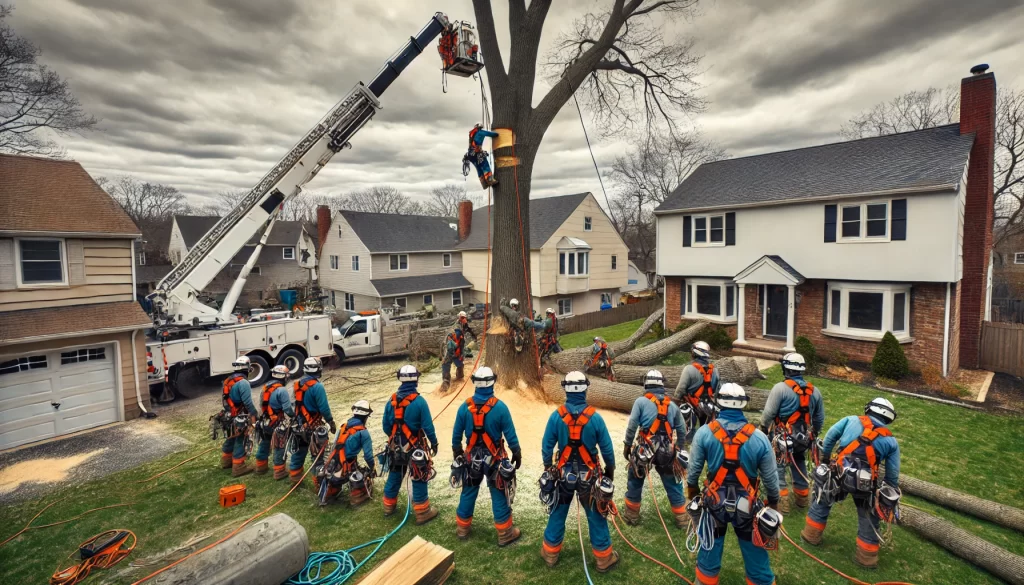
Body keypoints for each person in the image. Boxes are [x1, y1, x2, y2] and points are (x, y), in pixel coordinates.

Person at [686, 383, 780, 585]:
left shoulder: (704, 433)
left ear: (719, 403)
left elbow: (692, 473)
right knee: (755, 555)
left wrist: (692, 492)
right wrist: (773, 503)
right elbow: (771, 479)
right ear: (742, 405)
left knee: (709, 550)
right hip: (748, 507)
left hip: (714, 503)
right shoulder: (759, 438)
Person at [801, 398, 900, 570]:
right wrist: (886, 489)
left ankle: (811, 536)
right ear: (888, 418)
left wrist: (825, 459)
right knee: (868, 517)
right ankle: (866, 558)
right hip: (867, 483)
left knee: (822, 499)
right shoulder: (891, 441)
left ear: (868, 410)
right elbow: (892, 474)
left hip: (838, 473)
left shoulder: (851, 420)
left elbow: (831, 436)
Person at [540, 371, 618, 572]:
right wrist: (610, 470)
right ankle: (603, 558)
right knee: (595, 515)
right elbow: (607, 449)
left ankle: (550, 553)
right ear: (585, 389)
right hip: (589, 478)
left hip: (563, 476)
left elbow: (547, 445)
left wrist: (548, 467)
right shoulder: (595, 418)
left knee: (558, 512)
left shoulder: (557, 417)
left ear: (565, 388)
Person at [451, 367, 523, 546]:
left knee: (468, 491)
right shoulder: (500, 408)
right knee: (499, 493)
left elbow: (456, 434)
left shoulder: (464, 407)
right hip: (495, 460)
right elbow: (510, 434)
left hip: (471, 458)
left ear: (475, 383)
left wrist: (457, 450)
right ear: (493, 382)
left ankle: (462, 528)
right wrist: (517, 452)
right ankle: (505, 534)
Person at [760, 352, 825, 513]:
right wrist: (814, 432)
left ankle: (781, 502)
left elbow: (768, 413)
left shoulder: (780, 388)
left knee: (779, 466)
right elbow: (819, 418)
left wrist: (763, 428)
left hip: (783, 436)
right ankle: (802, 497)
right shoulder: (814, 391)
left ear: (786, 369)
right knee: (799, 461)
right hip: (803, 438)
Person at [622, 370, 688, 527]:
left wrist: (627, 445)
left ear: (646, 385)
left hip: (646, 449)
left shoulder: (641, 402)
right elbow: (682, 429)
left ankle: (631, 516)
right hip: (667, 451)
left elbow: (632, 426)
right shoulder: (672, 405)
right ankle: (682, 519)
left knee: (635, 479)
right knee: (673, 482)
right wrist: (679, 448)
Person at [382, 365, 440, 524]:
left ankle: (388, 506)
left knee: (395, 474)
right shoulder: (420, 402)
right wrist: (434, 443)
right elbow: (428, 426)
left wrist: (394, 439)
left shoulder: (391, 401)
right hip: (415, 448)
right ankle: (422, 512)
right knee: (419, 476)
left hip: (396, 447)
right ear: (416, 379)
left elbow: (386, 425)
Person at [288, 357, 336, 485]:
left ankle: (295, 478)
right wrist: (330, 421)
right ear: (318, 369)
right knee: (318, 457)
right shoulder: (317, 387)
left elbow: (292, 405)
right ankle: (318, 484)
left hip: (298, 425)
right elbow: (324, 408)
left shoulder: (297, 385)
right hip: (313, 427)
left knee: (299, 451)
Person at [322, 400, 376, 506]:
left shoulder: (343, 427)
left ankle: (330, 492)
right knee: (365, 472)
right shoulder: (363, 433)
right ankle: (357, 495)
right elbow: (368, 456)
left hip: (331, 467)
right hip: (344, 471)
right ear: (365, 417)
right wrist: (373, 468)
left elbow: (334, 447)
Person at [254, 365, 296, 480]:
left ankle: (260, 466)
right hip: (277, 423)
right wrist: (294, 416)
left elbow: (261, 404)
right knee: (279, 445)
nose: (288, 377)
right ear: (282, 376)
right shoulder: (282, 390)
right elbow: (287, 408)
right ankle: (279, 471)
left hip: (265, 421)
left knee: (265, 442)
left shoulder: (265, 387)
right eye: (287, 375)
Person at [675, 340, 720, 442]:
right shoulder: (715, 371)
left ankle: (688, 442)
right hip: (709, 406)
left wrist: (676, 402)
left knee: (688, 430)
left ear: (695, 353)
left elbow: (680, 390)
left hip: (692, 406)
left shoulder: (689, 369)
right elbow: (717, 390)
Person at [220, 356, 257, 477]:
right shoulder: (243, 383)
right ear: (247, 368)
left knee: (231, 436)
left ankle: (226, 461)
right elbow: (247, 402)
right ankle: (238, 466)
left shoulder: (228, 380)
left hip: (229, 414)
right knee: (240, 439)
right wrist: (254, 413)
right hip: (239, 415)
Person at [464, 124, 499, 190]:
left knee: (479, 168)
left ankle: (484, 183)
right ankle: (490, 180)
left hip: (470, 155)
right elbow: (493, 134)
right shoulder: (480, 132)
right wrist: (497, 134)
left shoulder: (471, 134)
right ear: (480, 128)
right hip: (477, 153)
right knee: (485, 166)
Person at [440, 327, 465, 393]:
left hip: (455, 354)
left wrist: (461, 355)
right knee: (446, 366)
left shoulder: (460, 339)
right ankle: (446, 382)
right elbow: (444, 349)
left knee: (458, 366)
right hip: (450, 354)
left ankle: (458, 375)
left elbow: (461, 348)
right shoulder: (449, 340)